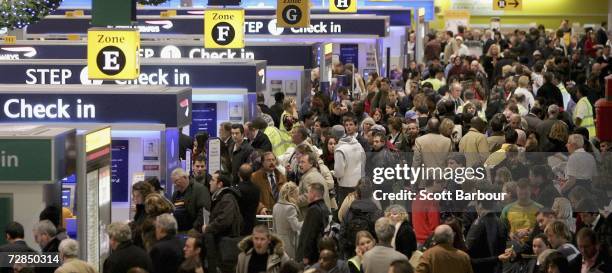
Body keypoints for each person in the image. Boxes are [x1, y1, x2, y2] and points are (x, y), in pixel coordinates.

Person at [203, 171, 242, 273]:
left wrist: (208, 228)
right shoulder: (219, 198)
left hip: (225, 245)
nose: (210, 183)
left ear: (220, 184)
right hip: (220, 244)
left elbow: (224, 221)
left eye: (212, 180)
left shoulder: (227, 198)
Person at [341, 179, 384, 257]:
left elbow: (343, 231)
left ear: (357, 194)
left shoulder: (350, 210)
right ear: (371, 194)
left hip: (352, 251)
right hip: (372, 253)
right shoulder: (377, 212)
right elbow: (381, 234)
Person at [466, 198, 509, 273]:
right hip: (497, 267)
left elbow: (469, 248)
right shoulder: (501, 224)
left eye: (476, 205)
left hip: (481, 267)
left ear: (480, 205)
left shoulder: (478, 223)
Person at [334, 116, 367, 207]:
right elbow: (364, 161)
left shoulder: (340, 150)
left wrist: (334, 174)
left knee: (345, 212)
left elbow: (339, 172)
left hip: (346, 186)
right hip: (359, 184)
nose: (348, 127)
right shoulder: (358, 145)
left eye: (350, 124)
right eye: (346, 125)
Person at [296, 183, 330, 266]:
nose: (307, 195)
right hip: (319, 253)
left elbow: (309, 234)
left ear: (313, 194)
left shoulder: (313, 210)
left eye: (308, 192)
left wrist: (306, 256)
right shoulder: (325, 208)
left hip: (311, 256)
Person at [171, 168, 210, 233]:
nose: (175, 184)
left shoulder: (200, 190)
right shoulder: (175, 194)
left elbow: (204, 212)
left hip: (194, 232)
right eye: (173, 182)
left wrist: (195, 229)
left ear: (185, 178)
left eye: (176, 181)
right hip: (178, 231)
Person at [273, 182, 303, 259]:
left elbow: (274, 227)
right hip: (289, 242)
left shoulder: (276, 206)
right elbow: (295, 227)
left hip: (278, 241)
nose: (298, 196)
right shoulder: (290, 208)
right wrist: (306, 222)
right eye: (297, 194)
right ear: (292, 194)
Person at [412, 180, 442, 245]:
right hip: (428, 241)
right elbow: (434, 224)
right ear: (434, 183)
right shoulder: (431, 201)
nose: (442, 186)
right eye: (441, 183)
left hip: (417, 239)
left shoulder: (417, 198)